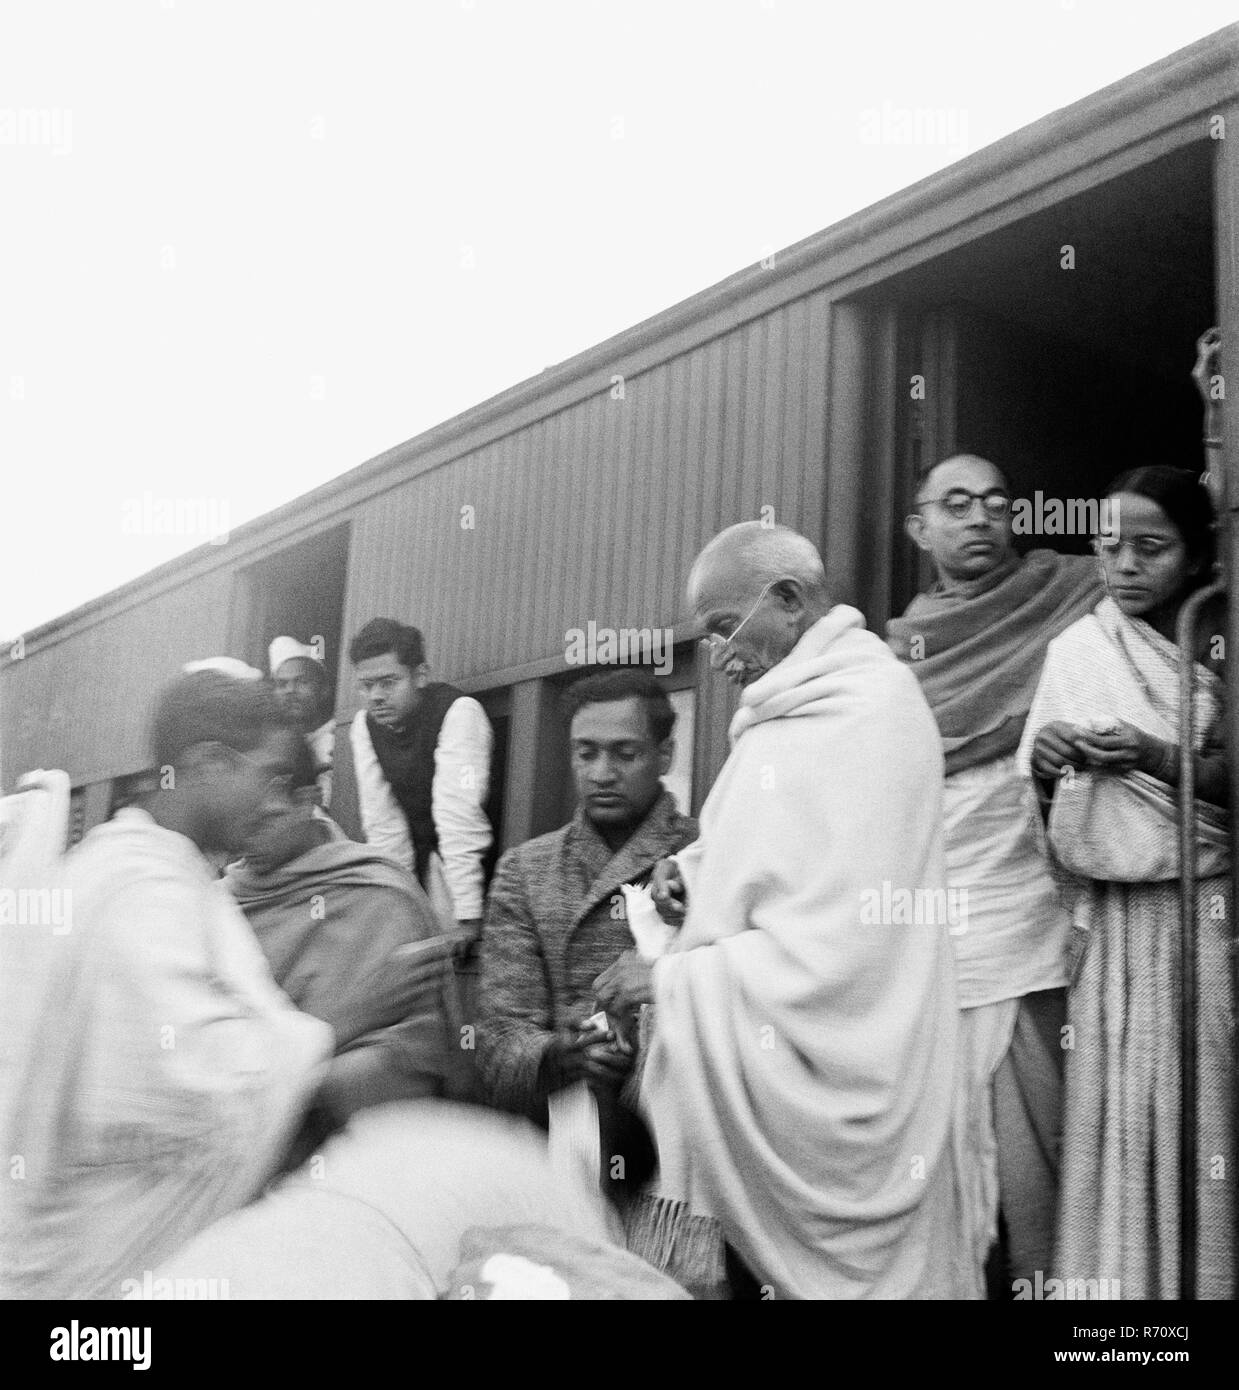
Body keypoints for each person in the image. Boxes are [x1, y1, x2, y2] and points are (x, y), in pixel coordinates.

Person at [597, 522, 970, 1299]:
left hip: (845, 1082)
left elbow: (846, 944)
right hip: (750, 1056)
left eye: (723, 628)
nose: (719, 656)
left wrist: (671, 983)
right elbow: (773, 862)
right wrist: (689, 874)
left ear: (791, 601)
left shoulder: (869, 714)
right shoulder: (788, 712)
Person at [0, 669, 448, 1299]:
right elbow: (201, 1093)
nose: (276, 802)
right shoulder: (144, 890)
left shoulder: (134, 869)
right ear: (209, 763)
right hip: (92, 1271)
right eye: (267, 778)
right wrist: (345, 1018)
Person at [886, 453, 1103, 1288]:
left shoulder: (1065, 594)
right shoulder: (896, 651)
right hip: (925, 937)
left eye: (995, 502)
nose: (978, 518)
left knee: (1037, 1146)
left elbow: (1178, 547)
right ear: (919, 527)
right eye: (956, 504)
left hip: (1023, 917)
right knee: (939, 1156)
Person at [1018, 466, 1233, 1300]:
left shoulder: (1216, 642)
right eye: (1109, 546)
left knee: (1200, 1110)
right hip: (1111, 926)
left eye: (1151, 548)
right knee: (1113, 1117)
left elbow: (1229, 786)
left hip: (1201, 919)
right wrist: (1041, 770)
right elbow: (1044, 811)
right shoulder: (1078, 652)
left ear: (1195, 553)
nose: (1125, 565)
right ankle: (1120, 1314)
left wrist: (1150, 756)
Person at [477, 670, 696, 1201]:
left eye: (625, 754)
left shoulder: (704, 853)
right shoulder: (526, 871)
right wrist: (558, 1055)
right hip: (566, 1138)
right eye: (586, 753)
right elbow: (498, 1038)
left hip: (692, 1133)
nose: (602, 773)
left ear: (664, 755)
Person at [226, 728, 470, 1158]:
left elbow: (408, 1065)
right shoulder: (217, 907)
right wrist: (344, 1023)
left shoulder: (379, 893)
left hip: (353, 1169)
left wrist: (276, 1088)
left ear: (310, 797)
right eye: (238, 814)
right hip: (233, 1170)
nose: (248, 836)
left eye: (265, 816)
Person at [346, 618, 493, 947]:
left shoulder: (459, 712)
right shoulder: (365, 726)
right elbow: (383, 824)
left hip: (473, 869)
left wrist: (468, 916)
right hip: (420, 866)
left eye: (388, 682)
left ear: (420, 675)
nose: (376, 696)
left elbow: (459, 815)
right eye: (366, 686)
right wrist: (398, 911)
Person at [269, 635, 335, 807]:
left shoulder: (340, 737)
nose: (290, 690)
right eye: (282, 684)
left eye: (301, 681)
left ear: (324, 689)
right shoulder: (272, 744)